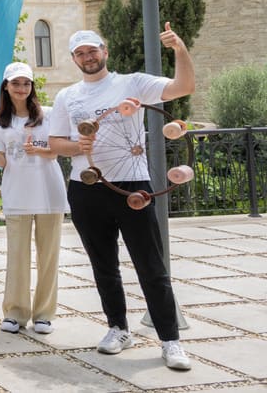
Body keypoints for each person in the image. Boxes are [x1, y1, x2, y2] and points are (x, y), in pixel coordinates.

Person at [48, 27, 195, 371]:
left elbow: (184, 87)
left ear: (105, 51)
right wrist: (78, 147)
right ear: (73, 59)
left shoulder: (132, 83)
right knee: (104, 266)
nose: (88, 57)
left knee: (151, 265)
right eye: (80, 53)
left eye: (93, 50)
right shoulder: (67, 96)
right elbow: (56, 143)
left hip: (133, 186)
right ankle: (118, 328)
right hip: (85, 188)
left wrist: (180, 49)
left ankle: (170, 340)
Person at [0, 62, 66, 336]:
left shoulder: (50, 115)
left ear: (31, 87)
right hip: (17, 193)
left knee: (49, 257)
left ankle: (43, 314)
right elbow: (1, 160)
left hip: (49, 193)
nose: (21, 88)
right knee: (17, 255)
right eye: (16, 83)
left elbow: (56, 151)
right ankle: (15, 313)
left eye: (26, 83)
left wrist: (40, 150)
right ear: (6, 86)